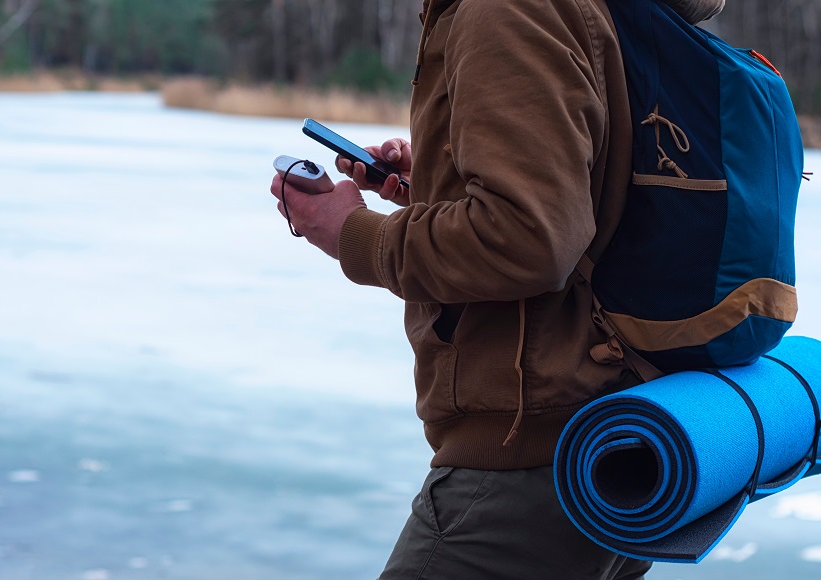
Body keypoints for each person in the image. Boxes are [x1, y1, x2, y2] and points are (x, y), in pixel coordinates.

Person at [270, 0, 724, 577]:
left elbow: (530, 240)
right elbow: (589, 199)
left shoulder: (505, 8)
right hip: (615, 441)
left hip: (527, 460)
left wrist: (352, 233)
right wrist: (437, 182)